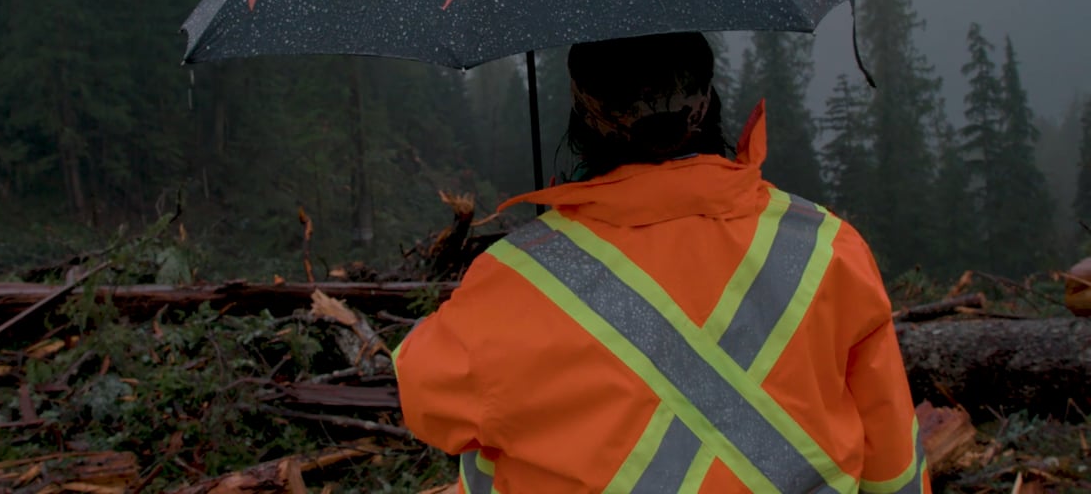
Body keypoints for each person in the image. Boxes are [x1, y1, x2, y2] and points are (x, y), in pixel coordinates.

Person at [394, 32, 929, 494]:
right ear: (709, 105)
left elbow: (426, 404)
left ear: (583, 120)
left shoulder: (513, 280)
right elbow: (893, 466)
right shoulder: (827, 246)